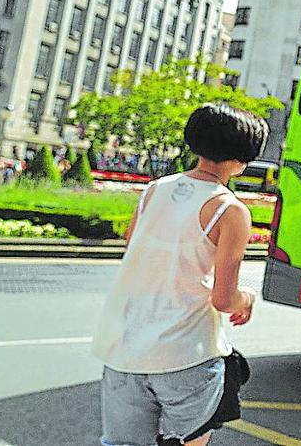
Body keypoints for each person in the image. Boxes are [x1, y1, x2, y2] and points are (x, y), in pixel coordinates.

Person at [92, 102, 268, 446]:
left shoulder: (154, 190)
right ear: (242, 158)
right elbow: (223, 299)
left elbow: (135, 254)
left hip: (125, 350)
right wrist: (247, 298)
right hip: (187, 355)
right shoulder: (229, 210)